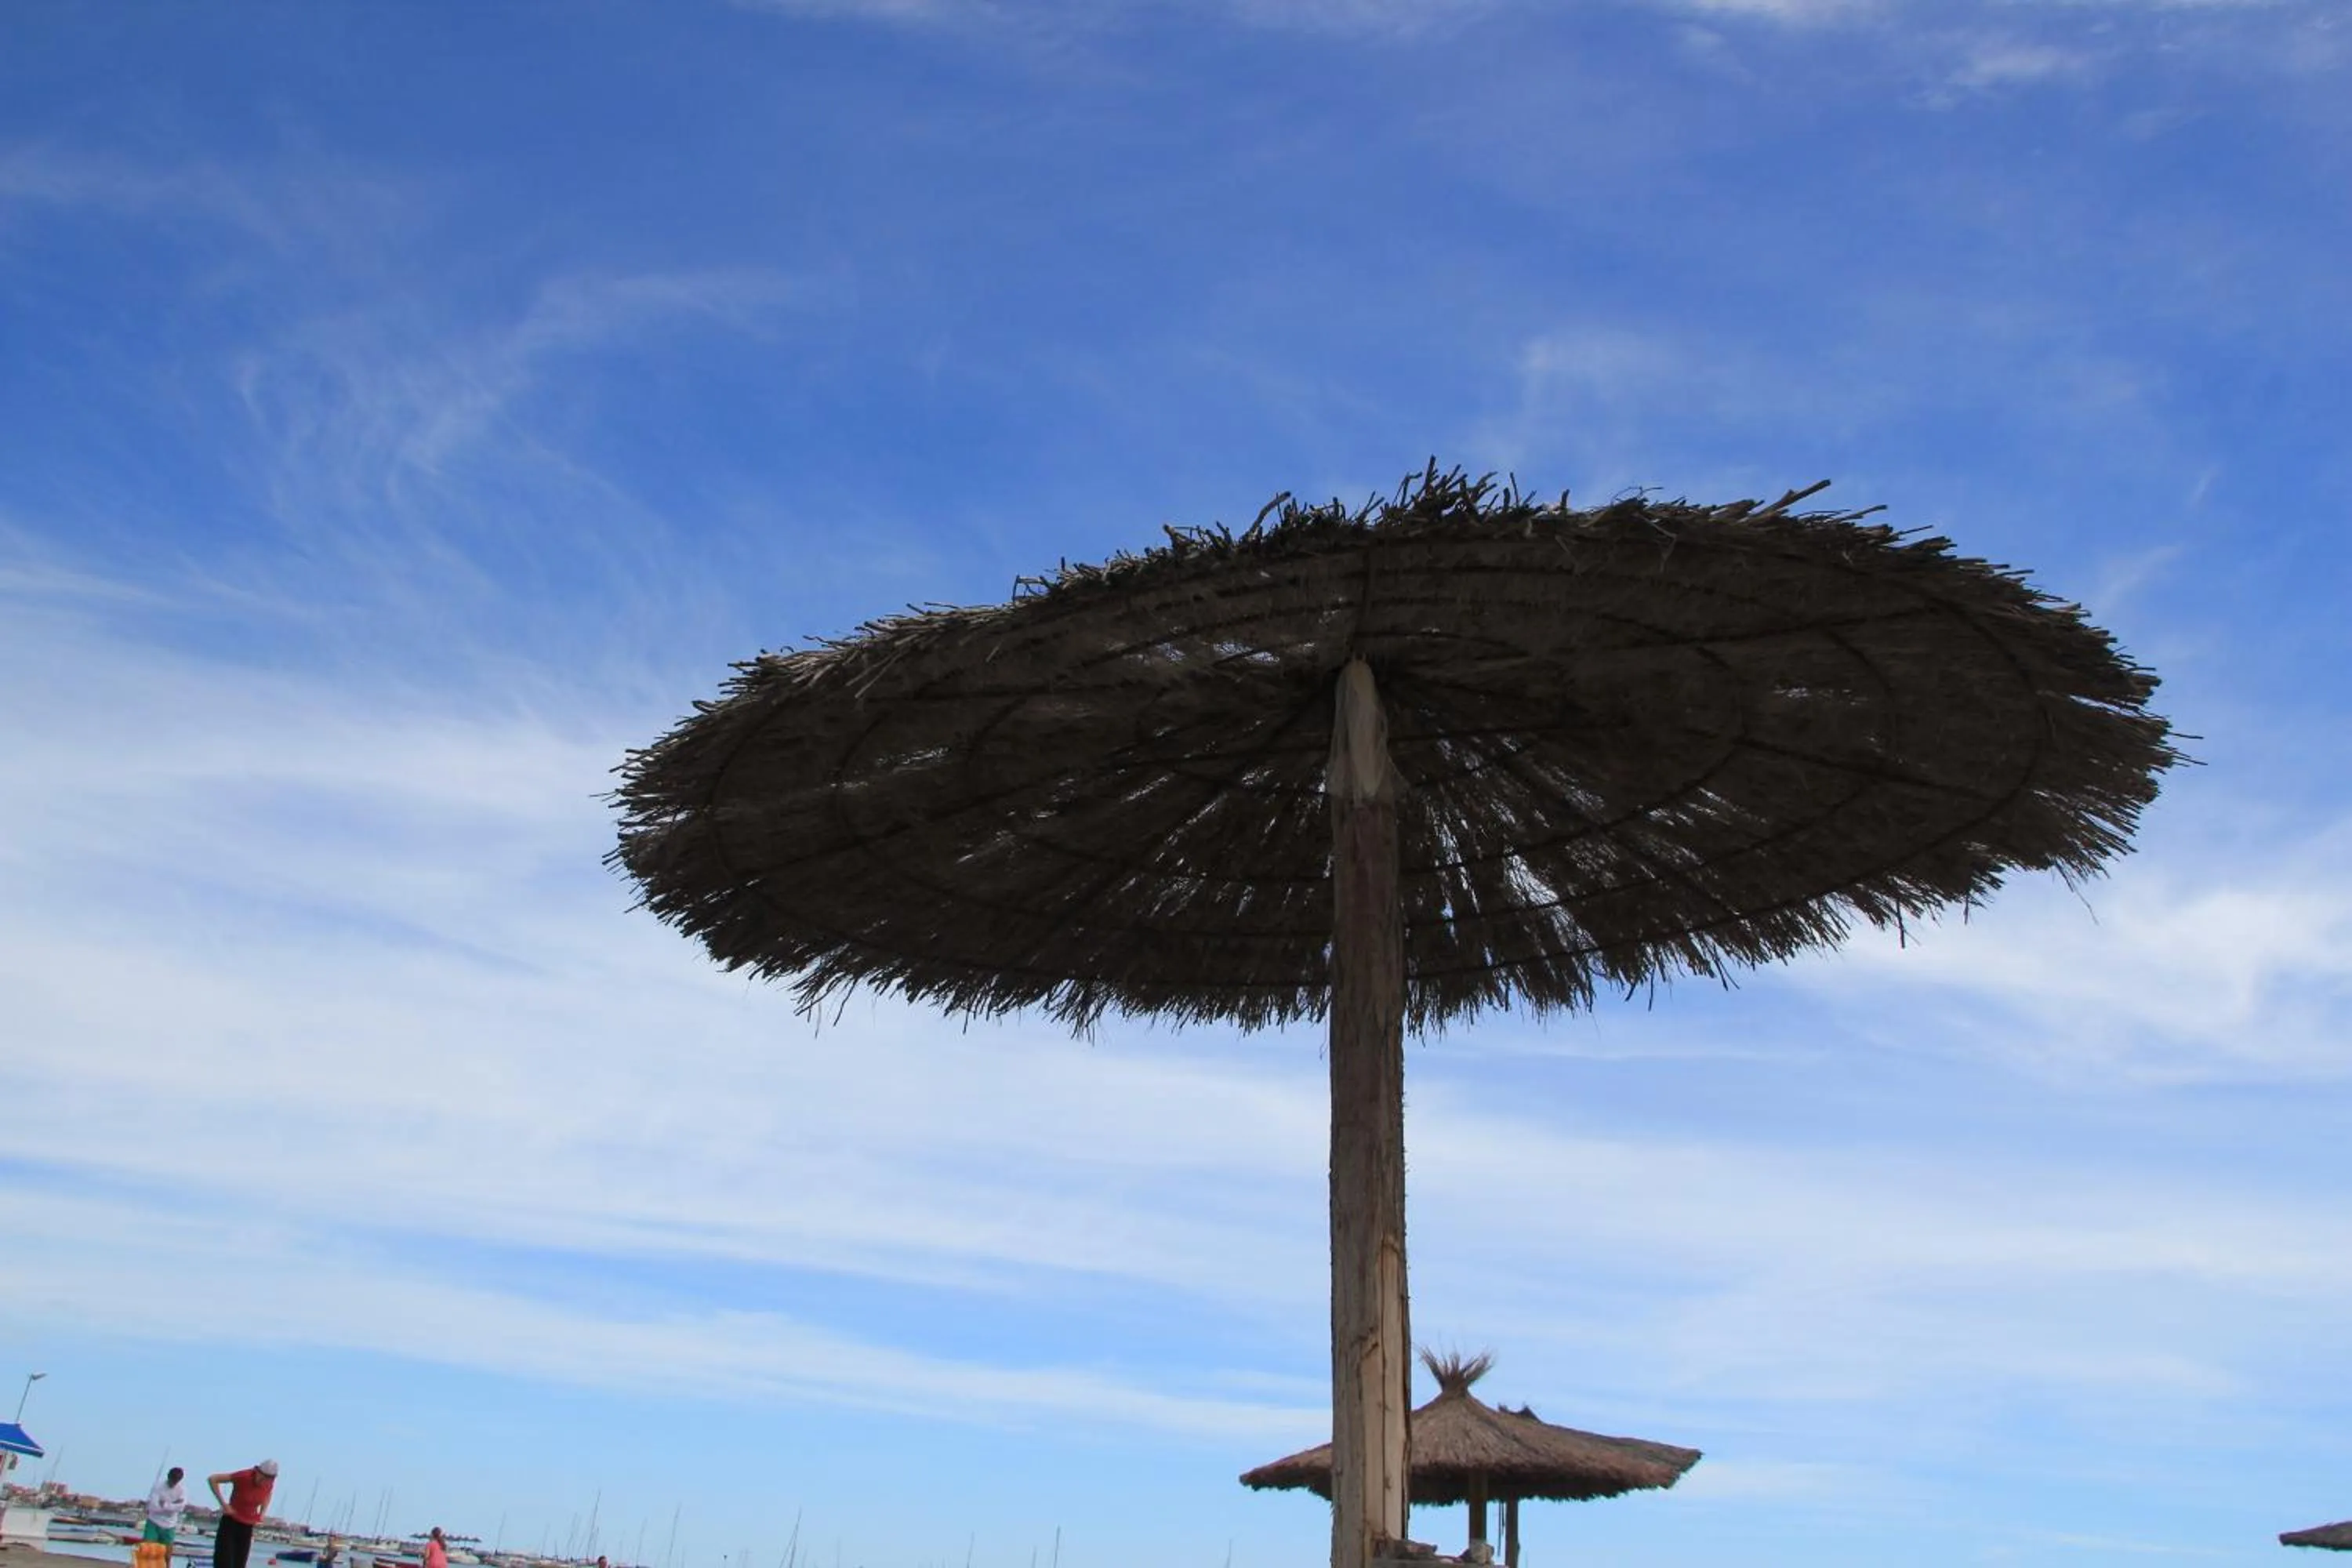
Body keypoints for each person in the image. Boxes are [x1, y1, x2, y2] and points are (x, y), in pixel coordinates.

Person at [206, 1459, 278, 1568]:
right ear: (257, 1472)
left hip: (247, 1526)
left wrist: (262, 1513)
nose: (263, 1481)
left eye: (267, 1479)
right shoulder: (244, 1476)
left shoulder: (269, 1484)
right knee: (224, 1562)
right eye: (262, 1477)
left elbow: (268, 1495)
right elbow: (213, 1479)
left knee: (239, 1564)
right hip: (231, 1522)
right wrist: (224, 1504)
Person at [143, 1468, 187, 1544]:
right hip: (154, 1521)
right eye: (172, 1480)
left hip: (170, 1524)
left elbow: (180, 1508)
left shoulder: (182, 1490)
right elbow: (155, 1507)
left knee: (167, 1554)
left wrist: (165, 1504)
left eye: (176, 1481)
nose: (173, 1483)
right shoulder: (158, 1487)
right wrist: (173, 1504)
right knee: (148, 1548)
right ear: (168, 1477)